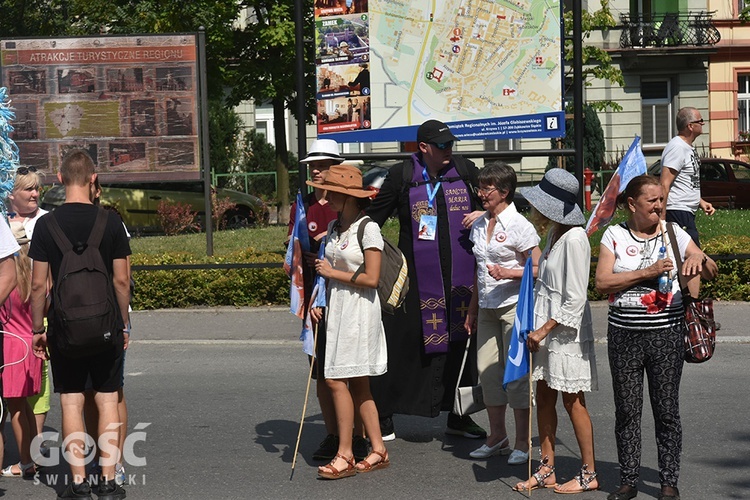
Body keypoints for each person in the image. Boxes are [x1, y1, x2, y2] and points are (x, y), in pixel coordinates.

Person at [595, 175, 716, 500]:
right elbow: (603, 283)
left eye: (662, 200)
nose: (660, 207)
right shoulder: (615, 235)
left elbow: (711, 269)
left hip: (666, 336)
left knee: (666, 411)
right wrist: (646, 273)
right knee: (627, 411)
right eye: (653, 201)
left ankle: (668, 482)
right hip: (624, 337)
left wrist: (698, 259)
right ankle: (629, 480)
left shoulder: (675, 232)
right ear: (632, 204)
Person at [367, 119, 486, 441]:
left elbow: (496, 203)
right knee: (402, 345)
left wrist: (487, 214)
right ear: (423, 148)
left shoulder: (465, 170)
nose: (450, 150)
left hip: (461, 279)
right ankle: (384, 414)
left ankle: (460, 416)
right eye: (442, 146)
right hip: (415, 280)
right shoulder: (401, 176)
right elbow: (372, 219)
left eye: (451, 144)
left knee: (462, 345)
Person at [29, 149, 131, 499]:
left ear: (59, 180)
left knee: (71, 401)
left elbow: (39, 285)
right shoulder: (112, 222)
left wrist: (37, 330)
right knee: (106, 400)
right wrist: (124, 324)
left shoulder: (46, 225)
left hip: (64, 328)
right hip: (106, 326)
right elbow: (121, 281)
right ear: (93, 179)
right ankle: (107, 481)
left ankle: (76, 484)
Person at [513, 169, 599, 494]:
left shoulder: (575, 238)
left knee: (572, 401)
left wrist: (544, 330)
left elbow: (576, 298)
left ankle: (589, 472)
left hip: (565, 331)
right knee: (545, 397)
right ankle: (546, 467)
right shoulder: (554, 234)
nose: (534, 210)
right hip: (546, 327)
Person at [288, 140, 368, 463]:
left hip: (344, 295)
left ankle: (358, 438)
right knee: (321, 370)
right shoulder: (303, 204)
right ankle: (334, 434)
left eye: (323, 164)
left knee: (348, 371)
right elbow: (293, 244)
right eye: (312, 165)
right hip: (314, 296)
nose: (316, 170)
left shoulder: (346, 204)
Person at [308, 165, 389, 479]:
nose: (326, 197)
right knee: (358, 383)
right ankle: (379, 448)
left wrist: (333, 274)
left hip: (360, 311)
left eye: (333, 192)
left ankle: (345, 453)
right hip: (338, 308)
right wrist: (320, 298)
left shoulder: (368, 228)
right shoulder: (333, 227)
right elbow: (327, 274)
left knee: (336, 380)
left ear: (349, 196)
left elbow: (372, 278)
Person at [464, 162, 540, 464]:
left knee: (517, 376)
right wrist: (471, 309)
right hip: (486, 308)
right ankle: (497, 437)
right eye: (479, 188)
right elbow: (478, 271)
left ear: (505, 191)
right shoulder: (481, 223)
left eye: (487, 189)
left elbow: (537, 267)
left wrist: (508, 272)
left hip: (513, 309)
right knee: (488, 373)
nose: (481, 194)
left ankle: (523, 442)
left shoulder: (520, 225)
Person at [6, 166, 51, 459]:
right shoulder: (2, 223)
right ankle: (29, 454)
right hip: (12, 316)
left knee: (40, 390)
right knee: (16, 390)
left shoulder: (48, 221)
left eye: (37, 188)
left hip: (43, 312)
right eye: (28, 189)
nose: (35, 194)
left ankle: (33, 452)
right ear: (11, 196)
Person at [0, 202, 44, 479]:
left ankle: (25, 461)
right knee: (26, 407)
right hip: (30, 344)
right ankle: (32, 457)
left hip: (12, 347)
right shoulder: (31, 274)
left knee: (15, 410)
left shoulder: (8, 281)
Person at [659, 107, 714, 247]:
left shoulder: (687, 147)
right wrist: (662, 217)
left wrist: (700, 202)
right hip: (677, 211)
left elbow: (686, 180)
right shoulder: (677, 147)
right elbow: (664, 183)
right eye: (700, 121)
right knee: (692, 260)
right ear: (690, 126)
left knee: (691, 260)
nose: (703, 123)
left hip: (686, 211)